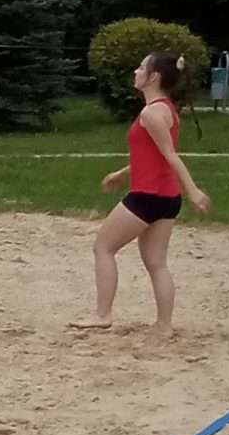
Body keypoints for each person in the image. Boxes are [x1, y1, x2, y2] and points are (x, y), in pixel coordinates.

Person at [74, 51, 210, 338]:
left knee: (103, 248)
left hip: (147, 197)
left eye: (141, 68)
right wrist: (123, 174)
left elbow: (171, 156)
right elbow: (155, 156)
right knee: (157, 263)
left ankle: (103, 315)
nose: (136, 71)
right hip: (166, 198)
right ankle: (164, 325)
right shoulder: (166, 108)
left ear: (154, 77)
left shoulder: (151, 113)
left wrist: (194, 190)